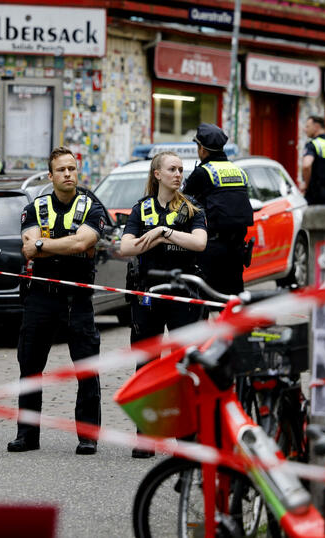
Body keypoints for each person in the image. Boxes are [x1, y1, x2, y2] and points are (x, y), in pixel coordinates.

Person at [9, 146, 107, 455]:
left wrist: (44, 244)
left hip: (77, 297)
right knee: (30, 367)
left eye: (72, 169)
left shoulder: (92, 206)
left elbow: (84, 241)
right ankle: (27, 435)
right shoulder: (35, 207)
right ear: (51, 176)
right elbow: (29, 250)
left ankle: (88, 436)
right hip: (41, 297)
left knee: (86, 368)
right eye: (61, 170)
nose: (68, 174)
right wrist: (61, 245)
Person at [118, 151, 207, 457]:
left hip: (183, 297)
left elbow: (199, 242)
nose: (178, 174)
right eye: (172, 169)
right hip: (147, 295)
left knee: (184, 365)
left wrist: (163, 232)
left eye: (181, 169)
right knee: (147, 366)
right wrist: (155, 237)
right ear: (157, 174)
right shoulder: (141, 209)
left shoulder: (193, 208)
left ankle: (186, 438)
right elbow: (126, 246)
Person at [182, 122, 253, 297]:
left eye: (198, 146)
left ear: (203, 150)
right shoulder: (239, 171)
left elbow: (183, 204)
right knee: (232, 300)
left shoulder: (203, 173)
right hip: (236, 250)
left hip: (210, 249)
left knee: (202, 301)